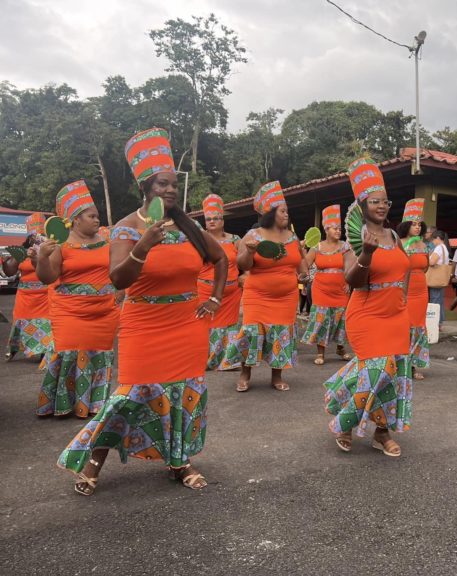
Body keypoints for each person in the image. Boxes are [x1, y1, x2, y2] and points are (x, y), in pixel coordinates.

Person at [57, 127, 227, 494]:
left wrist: (213, 297)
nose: (169, 190)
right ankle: (93, 463)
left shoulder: (189, 226)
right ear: (145, 188)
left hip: (187, 324)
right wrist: (143, 246)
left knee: (183, 394)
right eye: (161, 184)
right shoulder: (125, 229)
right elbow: (119, 279)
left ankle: (179, 461)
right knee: (130, 395)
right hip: (143, 324)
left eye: (172, 185)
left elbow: (220, 257)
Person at [324, 157, 412, 457]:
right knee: (376, 369)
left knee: (395, 373)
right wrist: (368, 255)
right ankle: (345, 420)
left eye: (386, 201)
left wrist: (405, 295)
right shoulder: (355, 238)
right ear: (362, 204)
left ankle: (382, 433)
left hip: (396, 315)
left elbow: (406, 267)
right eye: (375, 201)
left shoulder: (395, 236)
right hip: (366, 312)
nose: (382, 206)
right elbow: (353, 280)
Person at [35, 181, 120, 418]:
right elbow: (48, 277)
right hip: (69, 312)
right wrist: (42, 258)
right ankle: (63, 403)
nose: (97, 220)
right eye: (92, 216)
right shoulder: (60, 246)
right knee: (70, 352)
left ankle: (94, 404)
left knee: (98, 354)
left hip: (104, 311)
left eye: (98, 216)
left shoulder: (107, 242)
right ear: (76, 219)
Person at [236, 181, 307, 393]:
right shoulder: (253, 235)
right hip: (258, 295)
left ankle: (277, 376)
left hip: (286, 297)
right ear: (271, 213)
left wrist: (305, 275)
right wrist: (249, 252)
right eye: (283, 211)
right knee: (252, 332)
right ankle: (245, 373)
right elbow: (242, 265)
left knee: (281, 333)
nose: (287, 214)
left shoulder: (292, 237)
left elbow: (300, 264)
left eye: (287, 211)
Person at [301, 204, 352, 365]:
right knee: (322, 319)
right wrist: (301, 251)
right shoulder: (317, 247)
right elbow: (305, 266)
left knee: (341, 319)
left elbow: (351, 267)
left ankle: (340, 347)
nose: (338, 231)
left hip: (341, 290)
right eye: (334, 228)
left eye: (339, 229)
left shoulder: (345, 247)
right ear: (326, 229)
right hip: (321, 289)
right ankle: (320, 353)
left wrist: (350, 283)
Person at [198, 193, 243, 371]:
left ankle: (229, 360)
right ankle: (207, 360)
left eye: (216, 218)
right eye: (208, 219)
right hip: (205, 291)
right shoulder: (199, 240)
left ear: (222, 221)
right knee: (206, 324)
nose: (212, 221)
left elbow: (247, 260)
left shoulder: (235, 240)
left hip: (231, 294)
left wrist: (245, 274)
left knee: (230, 325)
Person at [3, 213, 52, 362]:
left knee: (46, 322)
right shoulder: (21, 252)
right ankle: (14, 348)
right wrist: (5, 262)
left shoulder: (49, 250)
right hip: (25, 297)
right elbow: (9, 272)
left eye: (40, 235)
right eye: (33, 236)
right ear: (29, 237)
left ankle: (44, 350)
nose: (36, 238)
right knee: (21, 322)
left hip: (45, 296)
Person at [397, 198, 429, 380]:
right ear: (406, 225)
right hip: (404, 289)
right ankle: (401, 364)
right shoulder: (399, 243)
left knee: (418, 327)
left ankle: (414, 366)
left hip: (421, 290)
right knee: (404, 327)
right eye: (413, 224)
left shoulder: (423, 245)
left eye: (419, 224)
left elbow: (424, 267)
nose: (417, 227)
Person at [428, 229, 450, 328]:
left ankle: (435, 323)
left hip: (435, 278)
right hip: (441, 278)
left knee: (434, 300)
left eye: (433, 239)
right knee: (439, 300)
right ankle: (440, 322)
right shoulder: (444, 248)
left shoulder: (439, 248)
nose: (432, 242)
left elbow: (432, 262)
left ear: (437, 238)